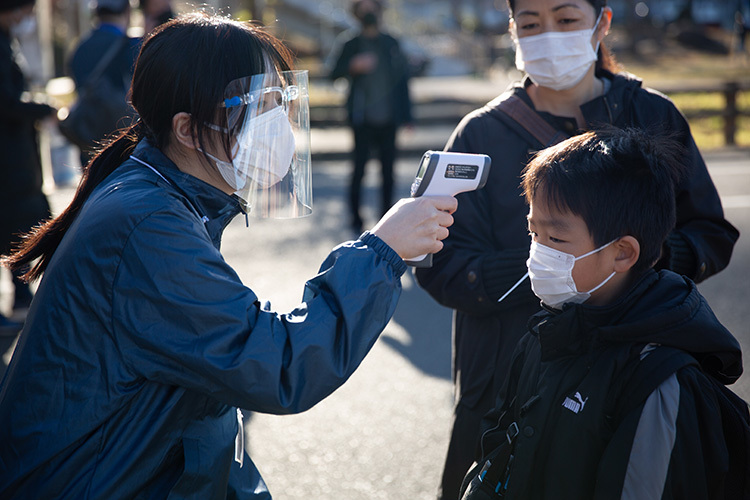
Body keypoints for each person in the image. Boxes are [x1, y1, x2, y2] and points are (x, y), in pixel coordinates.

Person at [0, 12, 457, 499]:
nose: (277, 123)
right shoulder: (148, 225)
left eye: (281, 102)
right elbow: (280, 365)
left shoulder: (157, 195)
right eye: (259, 104)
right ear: (188, 130)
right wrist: (381, 253)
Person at [413, 1, 741, 498]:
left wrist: (631, 269)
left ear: (601, 24)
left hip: (625, 377)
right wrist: (543, 270)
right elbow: (443, 266)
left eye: (566, 20)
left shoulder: (652, 115)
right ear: (513, 31)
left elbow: (710, 233)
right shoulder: (479, 133)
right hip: (506, 378)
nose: (548, 35)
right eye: (530, 24)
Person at [459, 127, 746, 499]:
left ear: (623, 253)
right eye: (533, 234)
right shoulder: (546, 331)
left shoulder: (658, 381)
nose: (537, 254)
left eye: (556, 240)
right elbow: (498, 446)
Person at [329, 0, 413, 233]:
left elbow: (403, 81)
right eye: (363, 7)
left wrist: (407, 116)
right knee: (359, 170)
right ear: (356, 13)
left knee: (389, 172)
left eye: (372, 6)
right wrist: (352, 66)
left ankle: (387, 219)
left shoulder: (391, 43)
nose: (368, 11)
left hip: (389, 119)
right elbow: (332, 73)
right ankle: (355, 220)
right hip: (362, 120)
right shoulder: (350, 43)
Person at [0, 0, 56, 335]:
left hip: (13, 155)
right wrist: (41, 109)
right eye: (25, 10)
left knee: (16, 221)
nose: (27, 18)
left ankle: (22, 294)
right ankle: (22, 294)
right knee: (16, 219)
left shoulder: (6, 38)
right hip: (8, 158)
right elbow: (5, 100)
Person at [68, 0, 140, 163]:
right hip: (123, 139)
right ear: (128, 10)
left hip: (88, 138)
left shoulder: (79, 49)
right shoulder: (132, 46)